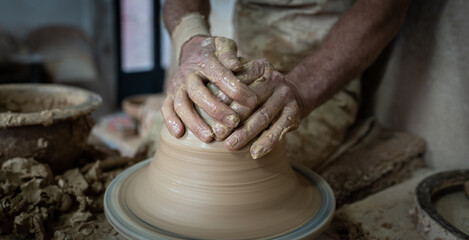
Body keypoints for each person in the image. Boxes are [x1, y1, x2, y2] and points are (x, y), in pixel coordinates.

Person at [161, 0, 411, 169]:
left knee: (251, 162)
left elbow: (385, 8)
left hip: (322, 73)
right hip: (245, 64)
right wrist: (192, 42)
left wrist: (301, 91)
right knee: (169, 145)